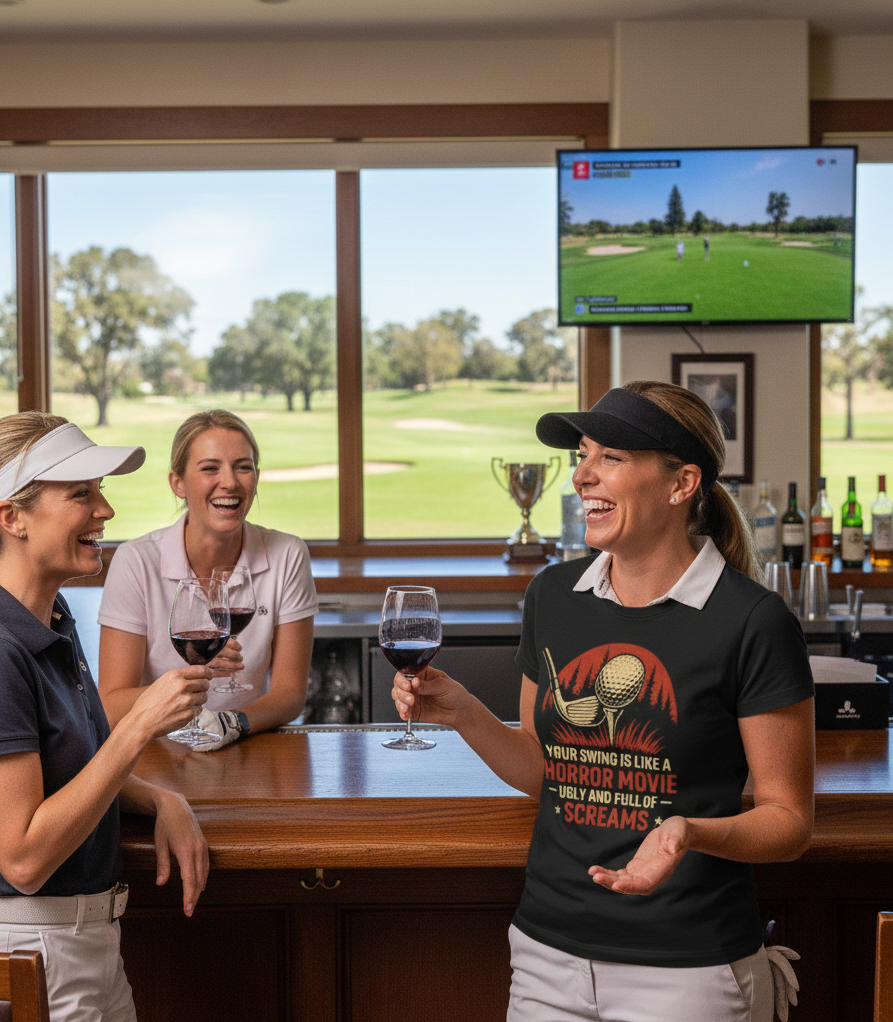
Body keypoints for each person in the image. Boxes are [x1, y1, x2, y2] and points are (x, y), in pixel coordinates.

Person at [392, 381, 814, 1022]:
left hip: (688, 969)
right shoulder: (553, 597)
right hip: (546, 954)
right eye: (582, 455)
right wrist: (460, 711)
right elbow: (544, 769)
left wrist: (688, 832)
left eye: (610, 457)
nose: (582, 475)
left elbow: (789, 821)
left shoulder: (753, 621)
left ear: (682, 484)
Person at [0, 412, 212, 1022]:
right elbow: (23, 858)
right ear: (12, 516)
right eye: (81, 495)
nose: (105, 510)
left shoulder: (53, 618)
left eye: (101, 492)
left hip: (85, 945)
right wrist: (139, 726)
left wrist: (158, 797)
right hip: (34, 953)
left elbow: (74, 772)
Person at [98, 409, 318, 751]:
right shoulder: (136, 561)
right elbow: (110, 708)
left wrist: (232, 722)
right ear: (178, 483)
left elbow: (290, 694)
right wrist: (192, 674)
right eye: (210, 468)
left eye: (243, 467)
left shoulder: (287, 554)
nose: (229, 481)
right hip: (157, 755)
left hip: (247, 748)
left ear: (256, 478)